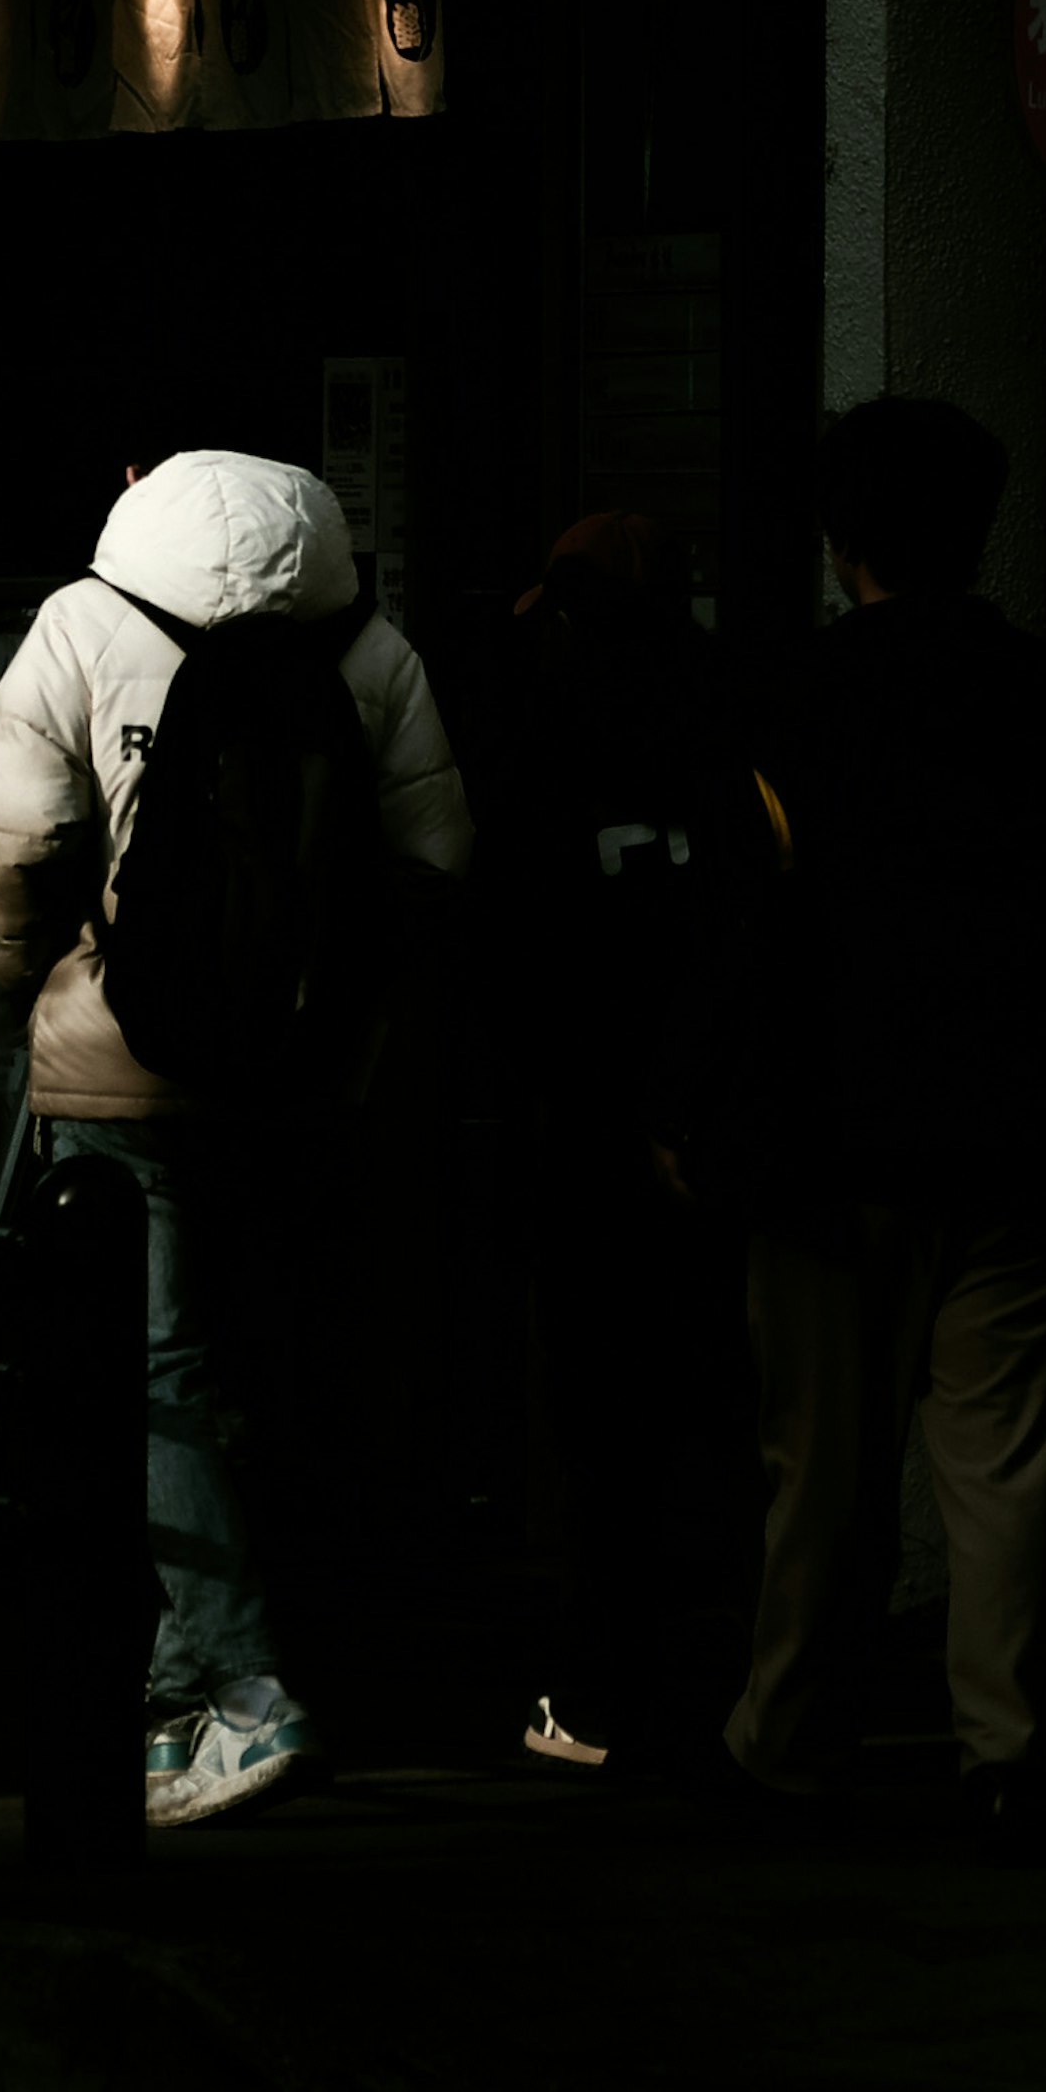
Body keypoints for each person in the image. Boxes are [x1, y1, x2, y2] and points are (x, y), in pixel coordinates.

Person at [0, 439, 471, 1831]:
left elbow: (12, 835)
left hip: (122, 1067)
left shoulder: (87, 620)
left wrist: (42, 983)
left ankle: (240, 1691)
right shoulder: (366, 641)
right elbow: (435, 861)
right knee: (275, 1356)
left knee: (155, 1368)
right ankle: (195, 1688)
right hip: (307, 1074)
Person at [690, 392, 1046, 1840]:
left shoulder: (788, 700)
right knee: (1003, 1459)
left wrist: (694, 1109)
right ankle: (1005, 1747)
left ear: (843, 540)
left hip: (827, 1135)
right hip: (1014, 1126)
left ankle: (781, 1730)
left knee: (820, 1463)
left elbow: (741, 934)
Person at [467, 504, 768, 1776]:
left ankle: (599, 1692)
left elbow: (510, 940)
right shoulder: (725, 713)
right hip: (702, 1119)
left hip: (581, 1118)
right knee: (720, 1399)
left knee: (597, 1419)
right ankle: (731, 1687)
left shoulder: (539, 725)